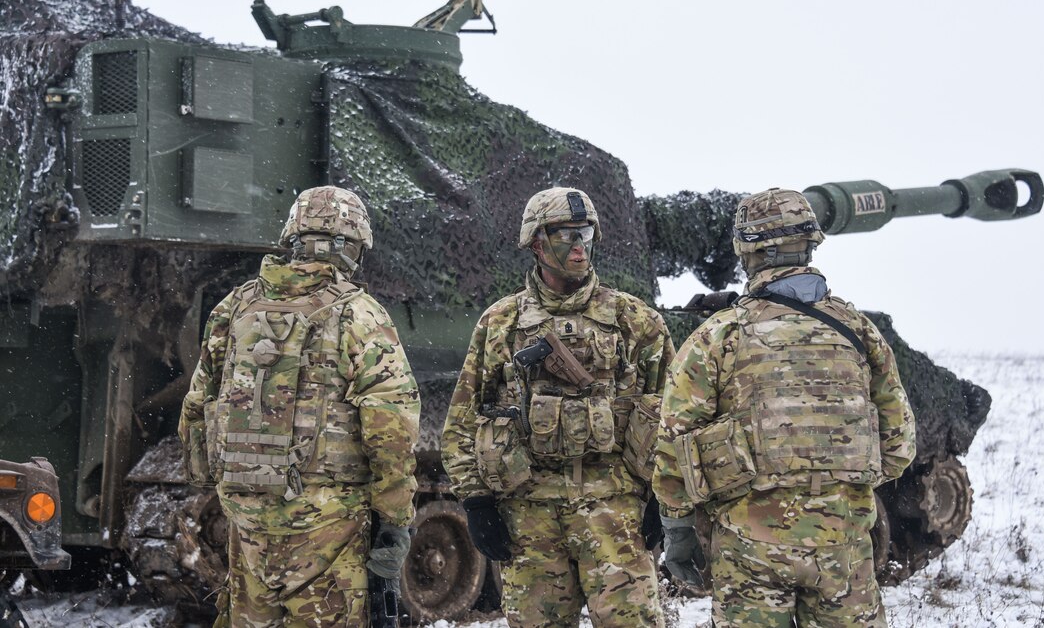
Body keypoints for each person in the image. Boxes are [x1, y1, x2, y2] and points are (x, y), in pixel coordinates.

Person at [654, 187, 916, 628]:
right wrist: (836, 492)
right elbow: (899, 444)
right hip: (844, 551)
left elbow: (673, 446)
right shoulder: (859, 333)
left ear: (747, 252)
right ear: (811, 244)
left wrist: (678, 532)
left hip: (749, 552)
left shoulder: (719, 336)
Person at [178, 186, 420, 627]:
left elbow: (198, 406)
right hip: (329, 530)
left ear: (293, 237)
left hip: (247, 526)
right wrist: (394, 520)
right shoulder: (360, 315)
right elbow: (392, 430)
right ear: (352, 247)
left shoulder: (234, 308)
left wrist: (230, 488)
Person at [441, 187, 673, 627]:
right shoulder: (501, 323)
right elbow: (463, 421)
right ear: (535, 241)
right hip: (529, 518)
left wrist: (664, 499)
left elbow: (672, 418)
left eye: (585, 233)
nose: (579, 245)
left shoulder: (635, 321)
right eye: (565, 234)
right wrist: (476, 504)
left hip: (614, 512)